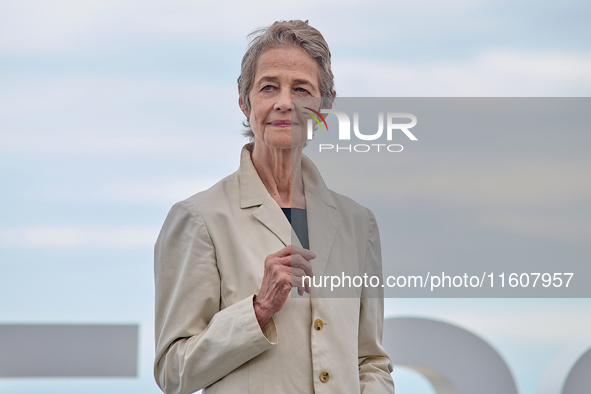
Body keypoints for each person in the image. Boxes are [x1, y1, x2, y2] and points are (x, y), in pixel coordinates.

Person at [154, 20, 394, 394]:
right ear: (243, 99)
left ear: (325, 106)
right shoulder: (198, 218)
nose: (285, 102)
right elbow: (173, 370)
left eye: (302, 89)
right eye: (269, 87)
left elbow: (371, 361)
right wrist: (257, 310)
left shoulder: (358, 223)